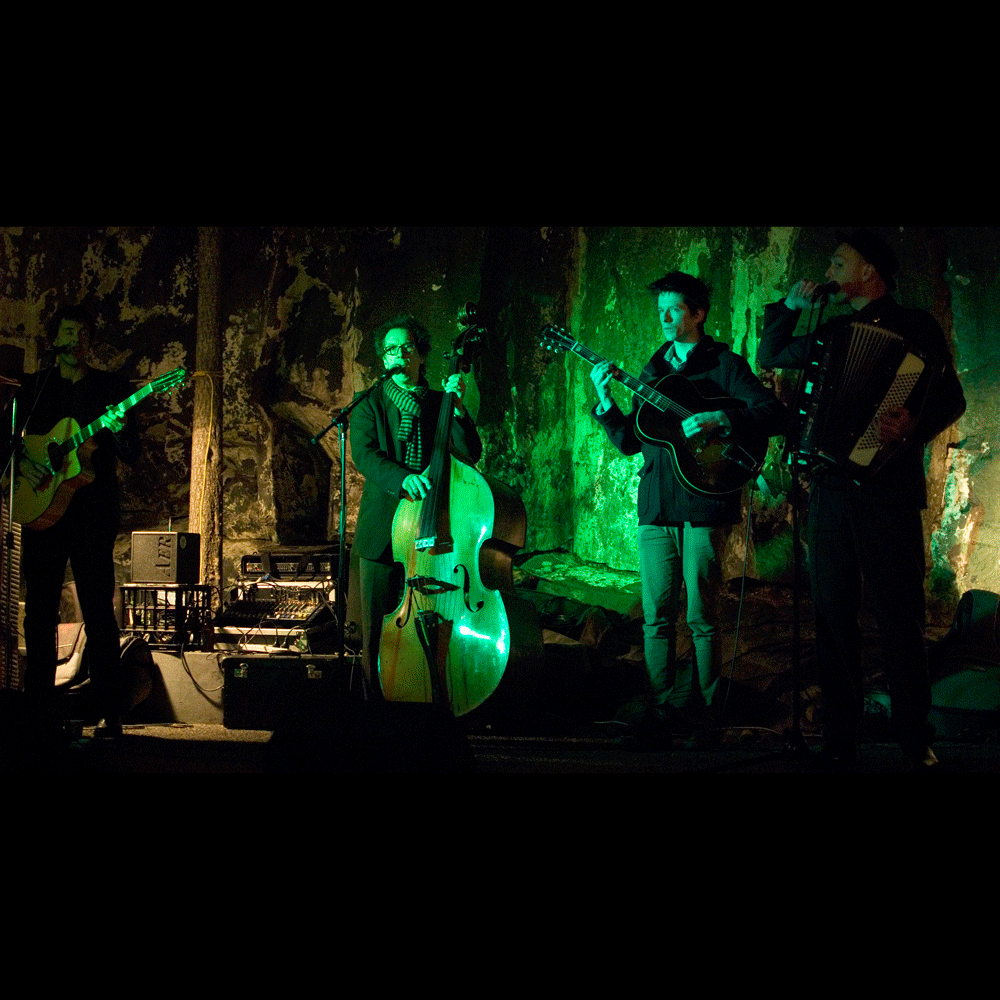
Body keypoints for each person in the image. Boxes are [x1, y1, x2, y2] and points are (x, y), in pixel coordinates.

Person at [759, 229, 966, 770]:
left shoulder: (914, 326)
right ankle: (841, 736)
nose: (828, 264)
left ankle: (911, 735)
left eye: (839, 258)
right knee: (832, 616)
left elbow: (951, 396)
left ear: (870, 271)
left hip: (886, 493)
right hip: (829, 491)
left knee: (901, 617)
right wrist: (788, 306)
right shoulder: (831, 331)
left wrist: (912, 423)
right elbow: (773, 351)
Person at [592, 271, 785, 748]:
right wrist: (604, 399)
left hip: (703, 501)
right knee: (656, 614)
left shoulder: (725, 365)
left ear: (697, 314)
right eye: (661, 309)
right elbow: (632, 442)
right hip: (656, 506)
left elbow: (772, 412)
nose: (664, 317)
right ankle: (660, 708)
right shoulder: (652, 371)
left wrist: (723, 416)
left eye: (674, 309)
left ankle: (706, 709)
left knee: (702, 614)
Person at [10, 305, 140, 747]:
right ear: (57, 341)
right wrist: (25, 465)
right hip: (44, 512)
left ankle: (109, 712)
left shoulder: (111, 388)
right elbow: (13, 441)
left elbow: (131, 451)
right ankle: (38, 711)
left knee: (99, 612)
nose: (77, 340)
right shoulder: (34, 387)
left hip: (91, 514)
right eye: (69, 332)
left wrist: (119, 430)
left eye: (83, 333)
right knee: (41, 611)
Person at [350, 314, 482, 698]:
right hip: (382, 530)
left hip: (433, 530)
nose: (398, 354)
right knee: (375, 630)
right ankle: (376, 705)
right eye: (390, 349)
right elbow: (366, 455)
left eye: (406, 347)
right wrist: (402, 478)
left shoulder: (441, 403)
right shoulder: (368, 403)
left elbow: (470, 453)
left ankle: (430, 697)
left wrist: (457, 409)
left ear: (421, 354)